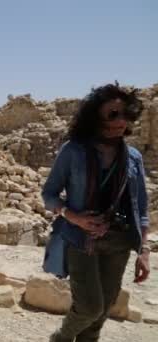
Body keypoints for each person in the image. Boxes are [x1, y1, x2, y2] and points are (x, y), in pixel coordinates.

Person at [42, 83, 150, 342]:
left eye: (125, 114)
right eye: (112, 115)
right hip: (81, 240)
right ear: (95, 117)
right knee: (90, 307)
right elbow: (49, 195)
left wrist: (144, 251)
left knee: (104, 309)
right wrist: (74, 217)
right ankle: (61, 338)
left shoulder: (133, 157)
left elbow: (142, 208)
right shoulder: (73, 151)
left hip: (119, 242)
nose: (120, 121)